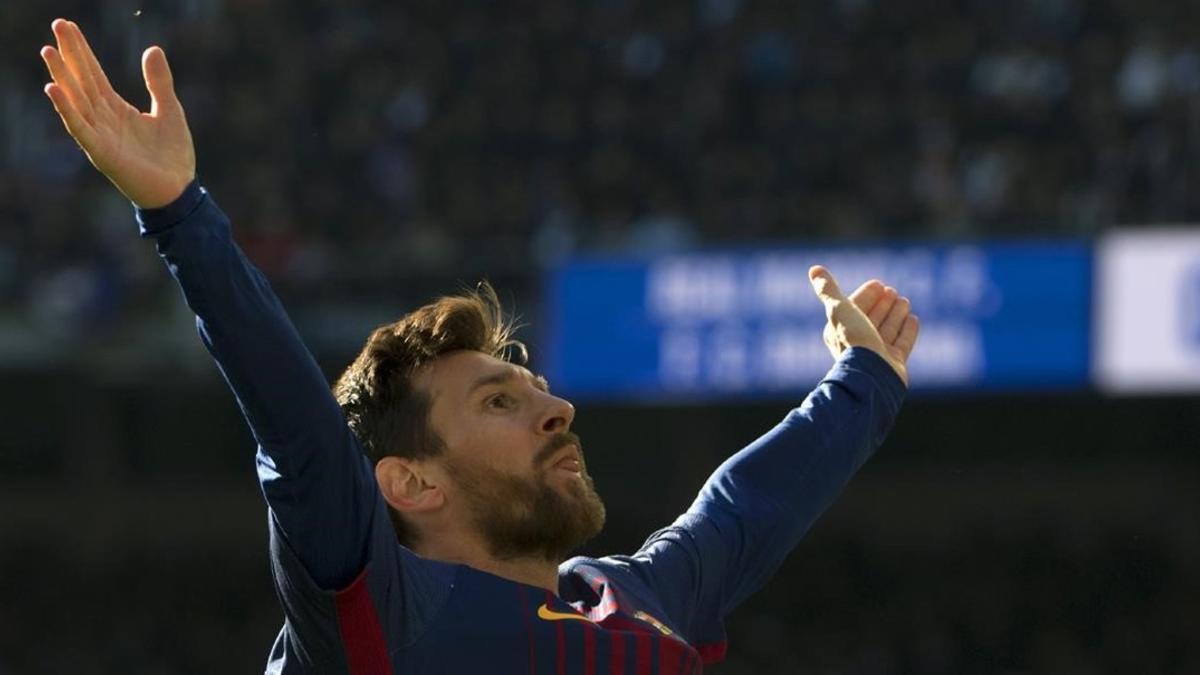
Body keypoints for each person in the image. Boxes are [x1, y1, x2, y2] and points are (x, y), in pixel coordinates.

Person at [40, 18, 920, 674]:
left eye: (532, 388)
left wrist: (866, 377)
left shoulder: (642, 598)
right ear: (410, 481)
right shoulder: (385, 612)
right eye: (501, 400)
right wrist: (180, 213)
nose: (559, 408)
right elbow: (302, 437)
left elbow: (741, 507)